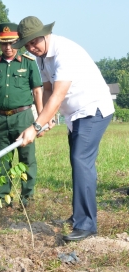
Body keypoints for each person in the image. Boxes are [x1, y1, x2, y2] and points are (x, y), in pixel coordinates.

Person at [13, 16, 114, 241]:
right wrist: (44, 119)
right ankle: (80, 215)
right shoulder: (42, 57)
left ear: (45, 34)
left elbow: (58, 95)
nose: (31, 47)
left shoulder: (64, 53)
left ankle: (86, 225)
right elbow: (47, 89)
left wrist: (35, 125)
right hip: (74, 115)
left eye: (34, 42)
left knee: (81, 161)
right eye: (27, 44)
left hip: (92, 110)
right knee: (79, 162)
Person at [0, 23, 43, 209]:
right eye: (3, 44)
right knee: (1, 160)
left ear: (19, 43)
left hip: (22, 118)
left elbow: (37, 92)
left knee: (27, 158)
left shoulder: (28, 63)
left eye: (12, 43)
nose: (8, 48)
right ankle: (2, 198)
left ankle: (27, 198)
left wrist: (41, 120)